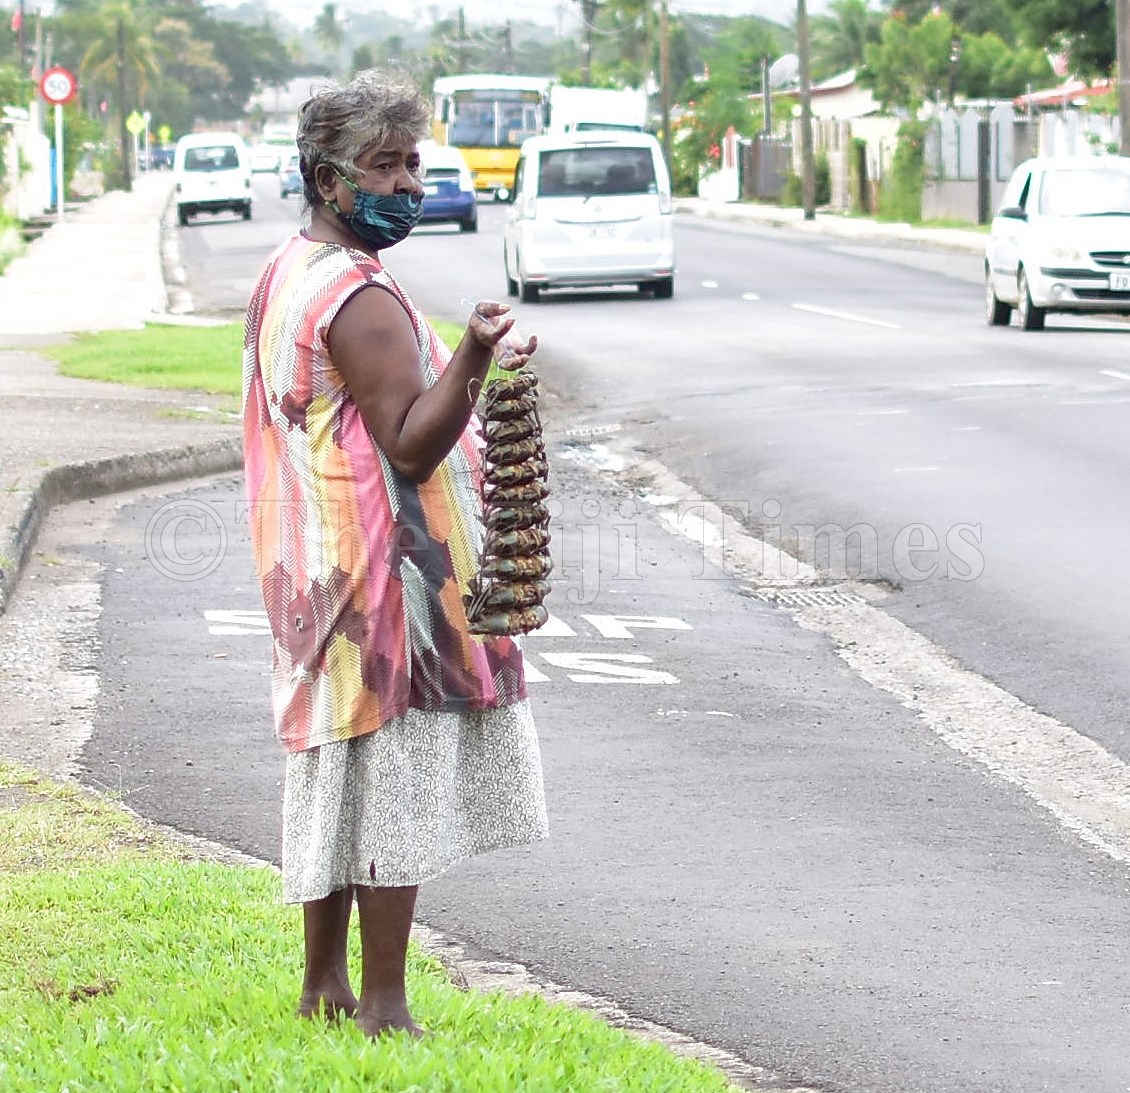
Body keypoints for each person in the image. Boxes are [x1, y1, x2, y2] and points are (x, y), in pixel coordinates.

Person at [241, 69, 549, 1038]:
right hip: (381, 576)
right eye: (383, 165)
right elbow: (409, 441)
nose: (408, 183)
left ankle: (322, 983)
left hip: (310, 556)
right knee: (393, 789)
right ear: (327, 179)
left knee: (337, 775)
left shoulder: (290, 268)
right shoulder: (359, 300)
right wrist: (471, 351)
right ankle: (383, 1005)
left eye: (413, 161)